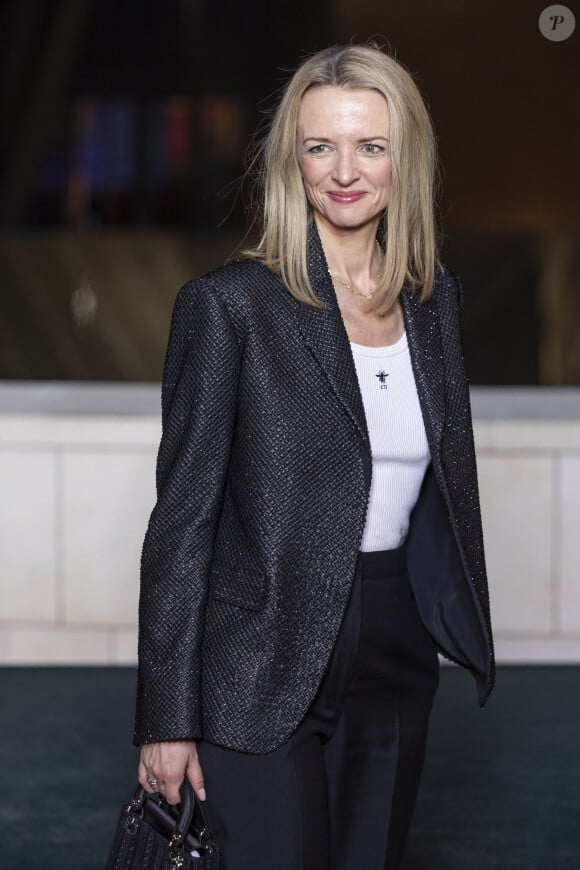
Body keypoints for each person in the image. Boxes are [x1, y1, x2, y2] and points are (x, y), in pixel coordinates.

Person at [134, 43, 495, 870]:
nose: (344, 171)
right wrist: (165, 716)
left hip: (396, 645)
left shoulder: (437, 304)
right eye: (319, 146)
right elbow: (181, 524)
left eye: (370, 146)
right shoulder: (229, 308)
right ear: (289, 162)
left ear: (406, 160)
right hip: (258, 654)